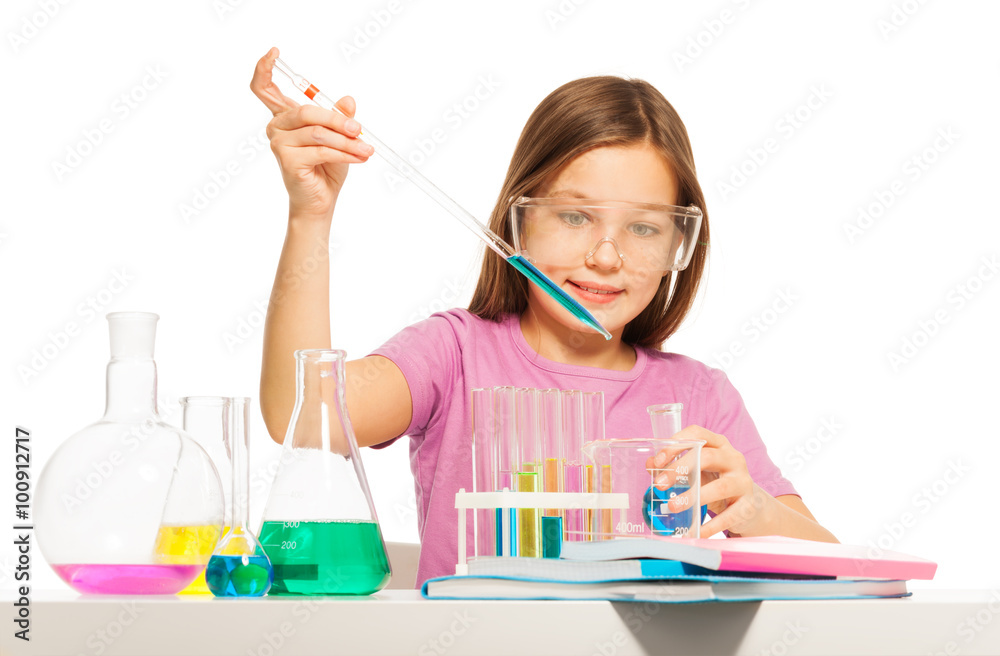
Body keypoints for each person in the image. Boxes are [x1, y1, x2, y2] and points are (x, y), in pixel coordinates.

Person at [250, 47, 837, 587]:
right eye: (576, 217)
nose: (606, 256)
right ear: (518, 224)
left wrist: (755, 510)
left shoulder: (699, 395)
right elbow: (299, 417)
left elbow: (835, 567)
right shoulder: (454, 356)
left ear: (678, 247)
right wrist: (311, 216)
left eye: (643, 228)